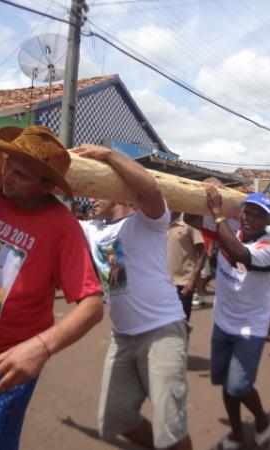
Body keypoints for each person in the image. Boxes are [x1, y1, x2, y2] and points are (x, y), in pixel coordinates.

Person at [0, 117, 104, 450]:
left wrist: (41, 348)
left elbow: (93, 306)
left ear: (47, 187)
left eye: (20, 174)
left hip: (10, 365)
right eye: (7, 166)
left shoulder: (63, 227)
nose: (6, 177)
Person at [76, 144, 192, 450]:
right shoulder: (91, 230)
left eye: (97, 188)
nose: (90, 197)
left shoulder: (148, 221)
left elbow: (151, 190)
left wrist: (108, 155)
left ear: (117, 189)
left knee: (171, 428)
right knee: (113, 420)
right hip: (123, 337)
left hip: (163, 332)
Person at [190, 188, 270, 450]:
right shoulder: (229, 228)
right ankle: (237, 433)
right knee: (225, 384)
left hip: (250, 327)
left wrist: (218, 215)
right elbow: (190, 220)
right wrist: (197, 193)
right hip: (222, 321)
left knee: (238, 385)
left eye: (258, 215)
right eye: (246, 212)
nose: (248, 218)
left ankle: (263, 421)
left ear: (269, 221)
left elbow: (240, 254)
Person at [167, 211, 206, 321]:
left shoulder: (188, 222)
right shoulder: (163, 222)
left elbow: (203, 252)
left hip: (183, 286)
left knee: (181, 326)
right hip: (165, 285)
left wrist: (191, 281)